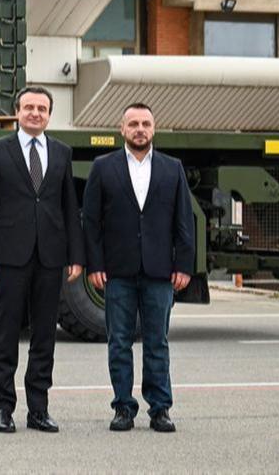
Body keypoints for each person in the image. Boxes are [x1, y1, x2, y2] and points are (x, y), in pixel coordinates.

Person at [0, 85, 83, 434]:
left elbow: (69, 208)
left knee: (44, 337)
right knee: (6, 333)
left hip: (50, 257)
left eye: (42, 108)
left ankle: (39, 409)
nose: (35, 113)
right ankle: (3, 408)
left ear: (49, 114)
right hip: (9, 256)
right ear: (17, 112)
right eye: (29, 107)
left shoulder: (62, 153)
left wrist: (75, 256)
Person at [82, 102, 195, 433]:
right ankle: (123, 408)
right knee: (119, 341)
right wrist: (95, 264)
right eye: (133, 124)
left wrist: (184, 264)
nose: (140, 129)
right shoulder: (103, 167)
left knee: (157, 341)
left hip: (160, 271)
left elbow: (184, 221)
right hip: (118, 270)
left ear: (154, 129)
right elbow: (91, 222)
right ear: (122, 129)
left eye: (145, 123)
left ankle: (160, 408)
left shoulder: (173, 168)